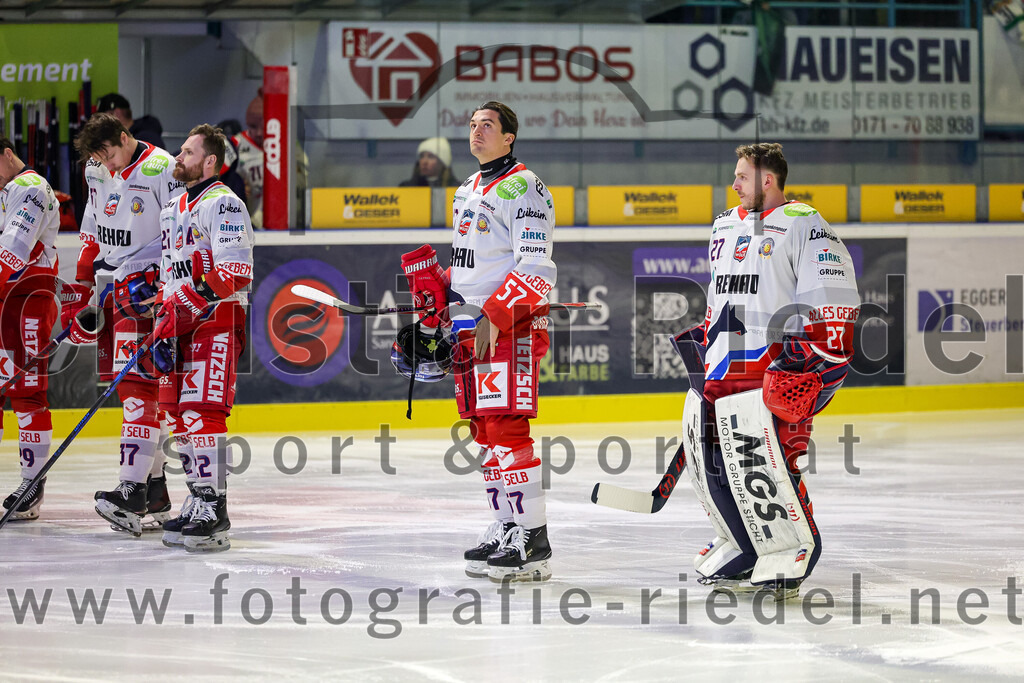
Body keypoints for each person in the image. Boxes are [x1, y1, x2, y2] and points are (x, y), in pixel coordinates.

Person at [681, 142, 860, 599]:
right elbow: (719, 295)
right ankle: (746, 545)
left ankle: (794, 546)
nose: (734, 183)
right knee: (719, 467)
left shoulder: (805, 225)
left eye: (742, 175)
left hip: (773, 370)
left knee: (772, 462)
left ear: (767, 180)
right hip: (723, 368)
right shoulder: (723, 225)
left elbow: (834, 302)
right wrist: (704, 337)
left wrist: (813, 366)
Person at [396, 102, 557, 582]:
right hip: (469, 332)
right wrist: (436, 287)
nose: (476, 132)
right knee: (484, 434)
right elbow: (471, 268)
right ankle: (507, 524)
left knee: (506, 430)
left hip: (510, 328)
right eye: (471, 125)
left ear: (509, 137)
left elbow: (536, 268)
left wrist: (494, 314)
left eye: (487, 126)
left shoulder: (525, 186)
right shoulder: (466, 189)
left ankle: (533, 537)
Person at [67, 112, 185, 535]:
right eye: (100, 158)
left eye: (111, 153)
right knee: (132, 385)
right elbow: (92, 224)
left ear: (124, 136)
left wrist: (163, 281)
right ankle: (152, 492)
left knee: (138, 388)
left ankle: (133, 489)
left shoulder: (162, 168)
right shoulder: (96, 169)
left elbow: (179, 230)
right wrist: (84, 279)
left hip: (149, 290)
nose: (109, 164)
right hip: (115, 284)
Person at [152, 123, 254, 552]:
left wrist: (187, 305)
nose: (179, 156)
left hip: (214, 317)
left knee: (202, 411)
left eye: (188, 151)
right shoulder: (173, 204)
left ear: (210, 161)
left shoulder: (224, 203)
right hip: (175, 319)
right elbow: (169, 268)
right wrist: (161, 310)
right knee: (177, 413)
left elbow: (234, 272)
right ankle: (197, 498)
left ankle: (215, 507)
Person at [0, 136, 61, 521]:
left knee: (26, 393)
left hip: (26, 303)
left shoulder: (30, 187)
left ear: (7, 154)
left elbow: (12, 252)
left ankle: (31, 483)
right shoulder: (7, 189)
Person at [233, 92, 264, 228]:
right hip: (244, 224)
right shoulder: (235, 144)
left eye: (264, 127)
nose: (258, 133)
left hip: (279, 224)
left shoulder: (287, 144)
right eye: (252, 126)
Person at [95, 93, 167, 151]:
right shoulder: (135, 137)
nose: (103, 125)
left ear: (116, 113)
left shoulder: (143, 139)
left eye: (104, 118)